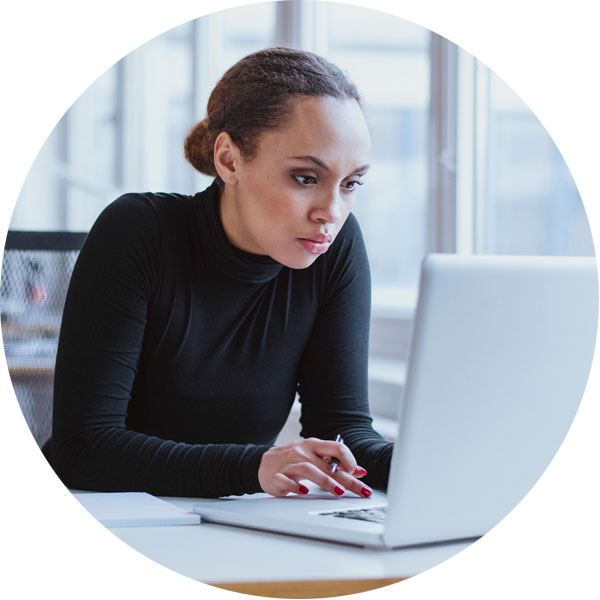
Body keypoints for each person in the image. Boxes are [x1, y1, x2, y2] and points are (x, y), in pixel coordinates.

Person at [51, 47, 393, 499]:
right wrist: (253, 467)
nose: (331, 213)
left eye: (350, 184)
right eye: (306, 178)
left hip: (231, 521)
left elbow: (344, 433)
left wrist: (445, 461)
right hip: (108, 517)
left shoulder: (335, 249)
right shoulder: (138, 231)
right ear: (229, 160)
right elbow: (82, 448)